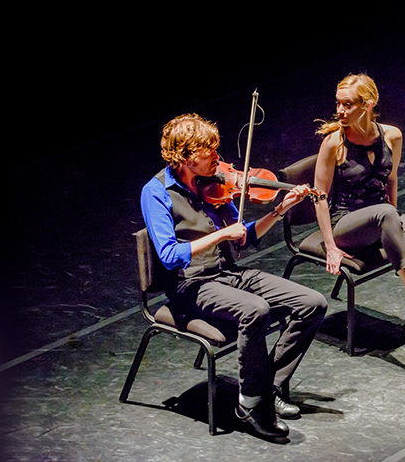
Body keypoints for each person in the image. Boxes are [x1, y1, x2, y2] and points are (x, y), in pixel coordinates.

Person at [140, 113, 327, 442]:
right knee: (255, 310)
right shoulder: (155, 192)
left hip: (229, 273)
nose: (217, 157)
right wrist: (220, 235)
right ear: (184, 156)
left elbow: (244, 238)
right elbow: (169, 256)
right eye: (207, 150)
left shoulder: (215, 184)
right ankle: (252, 403)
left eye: (216, 148)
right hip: (191, 285)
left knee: (312, 303)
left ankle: (267, 386)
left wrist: (278, 210)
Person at [312, 73, 405, 353]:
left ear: (367, 104)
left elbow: (390, 179)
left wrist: (394, 226)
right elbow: (319, 196)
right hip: (347, 225)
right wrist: (330, 246)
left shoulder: (392, 135)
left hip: (383, 218)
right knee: (385, 213)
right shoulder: (334, 143)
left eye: (348, 105)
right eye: (338, 104)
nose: (340, 111)